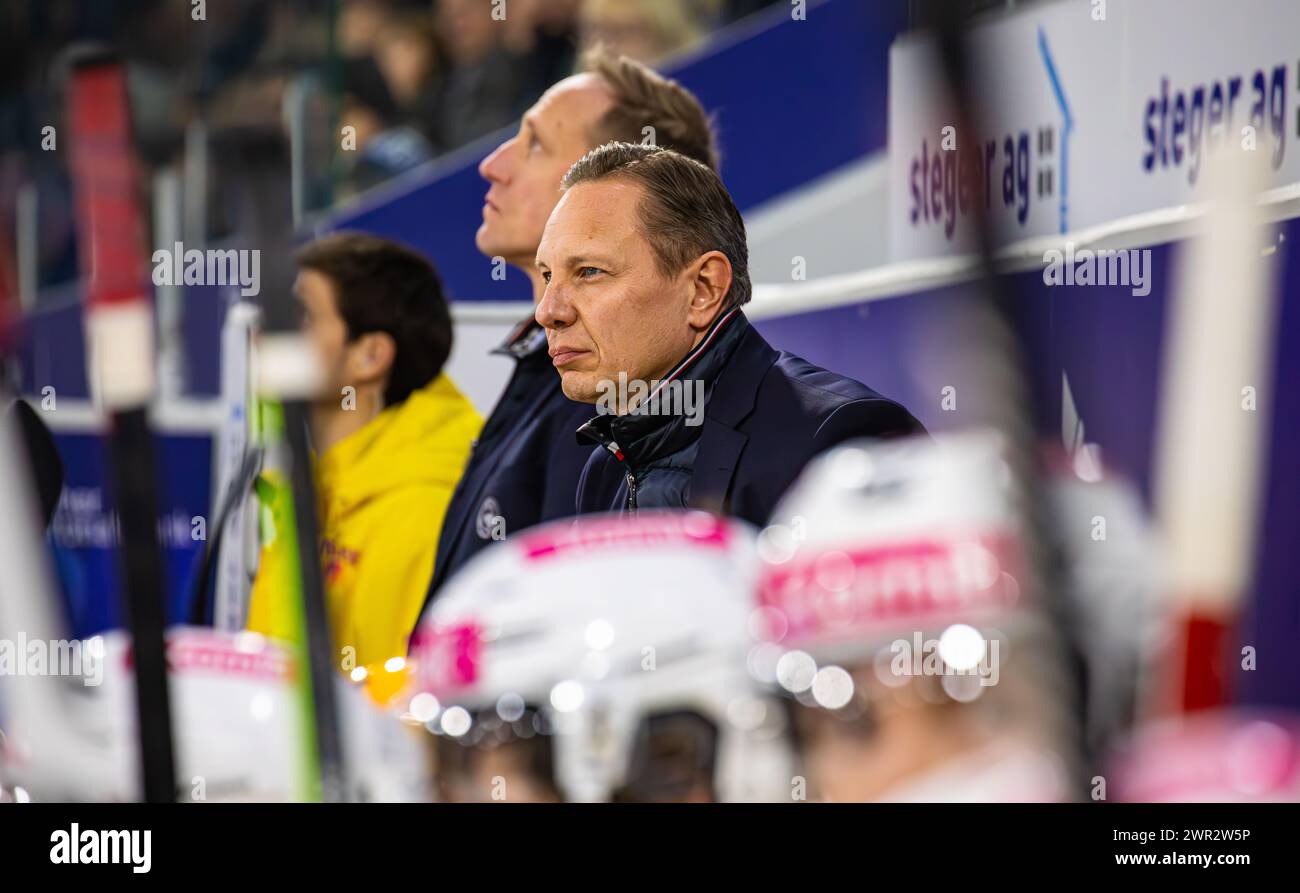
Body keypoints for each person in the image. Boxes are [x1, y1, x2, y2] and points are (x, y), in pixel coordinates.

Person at [424, 50, 718, 609]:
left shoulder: (606, 394)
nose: (493, 164)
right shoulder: (547, 372)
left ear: (607, 187)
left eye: (534, 143)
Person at [534, 142, 922, 525]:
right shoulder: (605, 469)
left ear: (704, 288)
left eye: (589, 272)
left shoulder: (838, 438)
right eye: (548, 276)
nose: (548, 311)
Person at [247, 233, 481, 669]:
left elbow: (409, 709)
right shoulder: (316, 490)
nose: (265, 333)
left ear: (370, 356)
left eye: (300, 315)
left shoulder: (425, 511)